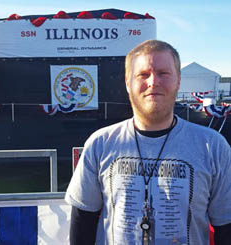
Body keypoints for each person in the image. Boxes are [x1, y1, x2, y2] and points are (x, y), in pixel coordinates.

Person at [65, 40, 231, 244]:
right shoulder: (100, 143)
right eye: (143, 74)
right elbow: (83, 220)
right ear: (128, 83)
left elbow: (226, 226)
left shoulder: (213, 146)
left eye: (163, 73)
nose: (153, 82)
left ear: (178, 80)